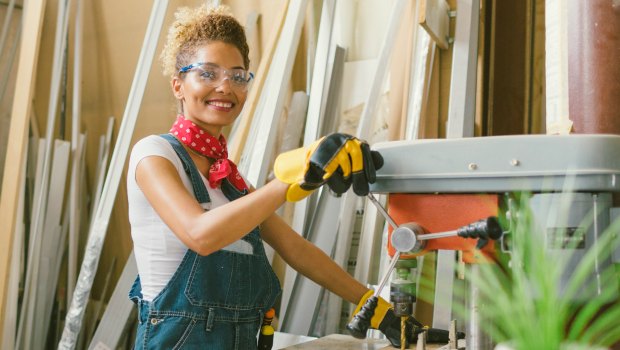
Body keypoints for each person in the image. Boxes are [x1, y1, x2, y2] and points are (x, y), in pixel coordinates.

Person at [127, 4, 413, 349]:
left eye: (237, 76)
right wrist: (289, 182)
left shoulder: (231, 180)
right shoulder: (155, 155)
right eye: (207, 73)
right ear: (178, 85)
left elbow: (297, 249)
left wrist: (377, 309)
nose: (225, 87)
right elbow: (199, 235)